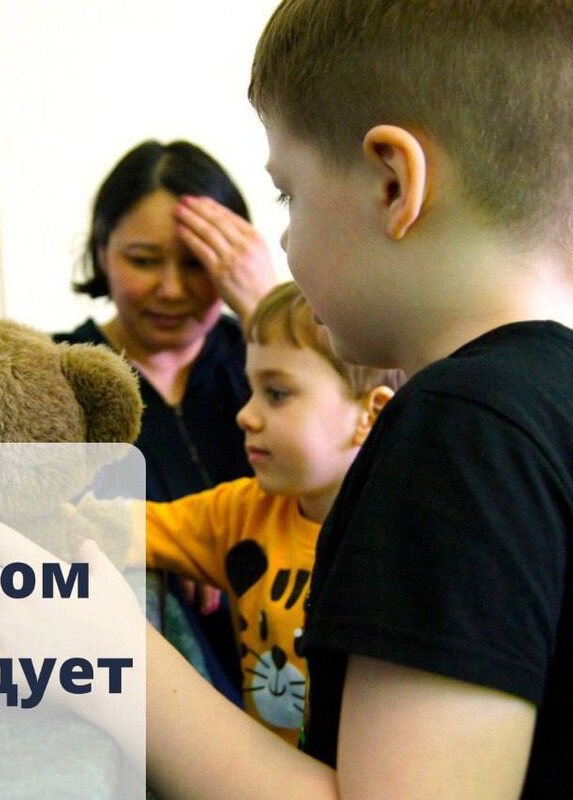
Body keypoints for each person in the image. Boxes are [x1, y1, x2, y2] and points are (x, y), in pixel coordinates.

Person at [0, 0, 573, 796]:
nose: (284, 239)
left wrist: (105, 654)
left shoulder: (462, 434)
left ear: (394, 183)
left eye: (287, 192)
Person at [55, 139, 277, 703]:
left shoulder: (275, 365)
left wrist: (266, 307)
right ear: (102, 251)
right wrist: (167, 549)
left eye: (198, 264)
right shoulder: (53, 378)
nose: (172, 289)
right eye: (144, 260)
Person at [139, 281, 402, 745]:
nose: (246, 415)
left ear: (371, 415)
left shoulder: (408, 538)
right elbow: (112, 526)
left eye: (277, 393)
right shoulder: (240, 514)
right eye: (251, 390)